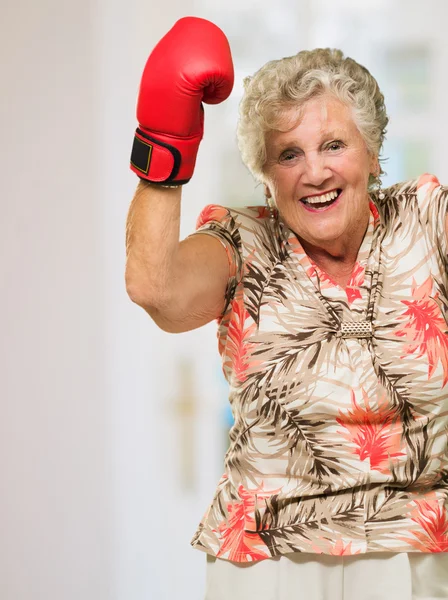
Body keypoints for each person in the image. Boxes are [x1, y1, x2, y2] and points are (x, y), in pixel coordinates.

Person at [125, 16, 448, 600]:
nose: (314, 172)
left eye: (333, 145)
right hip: (266, 558)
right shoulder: (243, 243)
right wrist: (163, 146)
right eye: (288, 155)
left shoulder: (427, 219)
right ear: (267, 176)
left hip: (417, 548)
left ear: (374, 154)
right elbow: (157, 290)